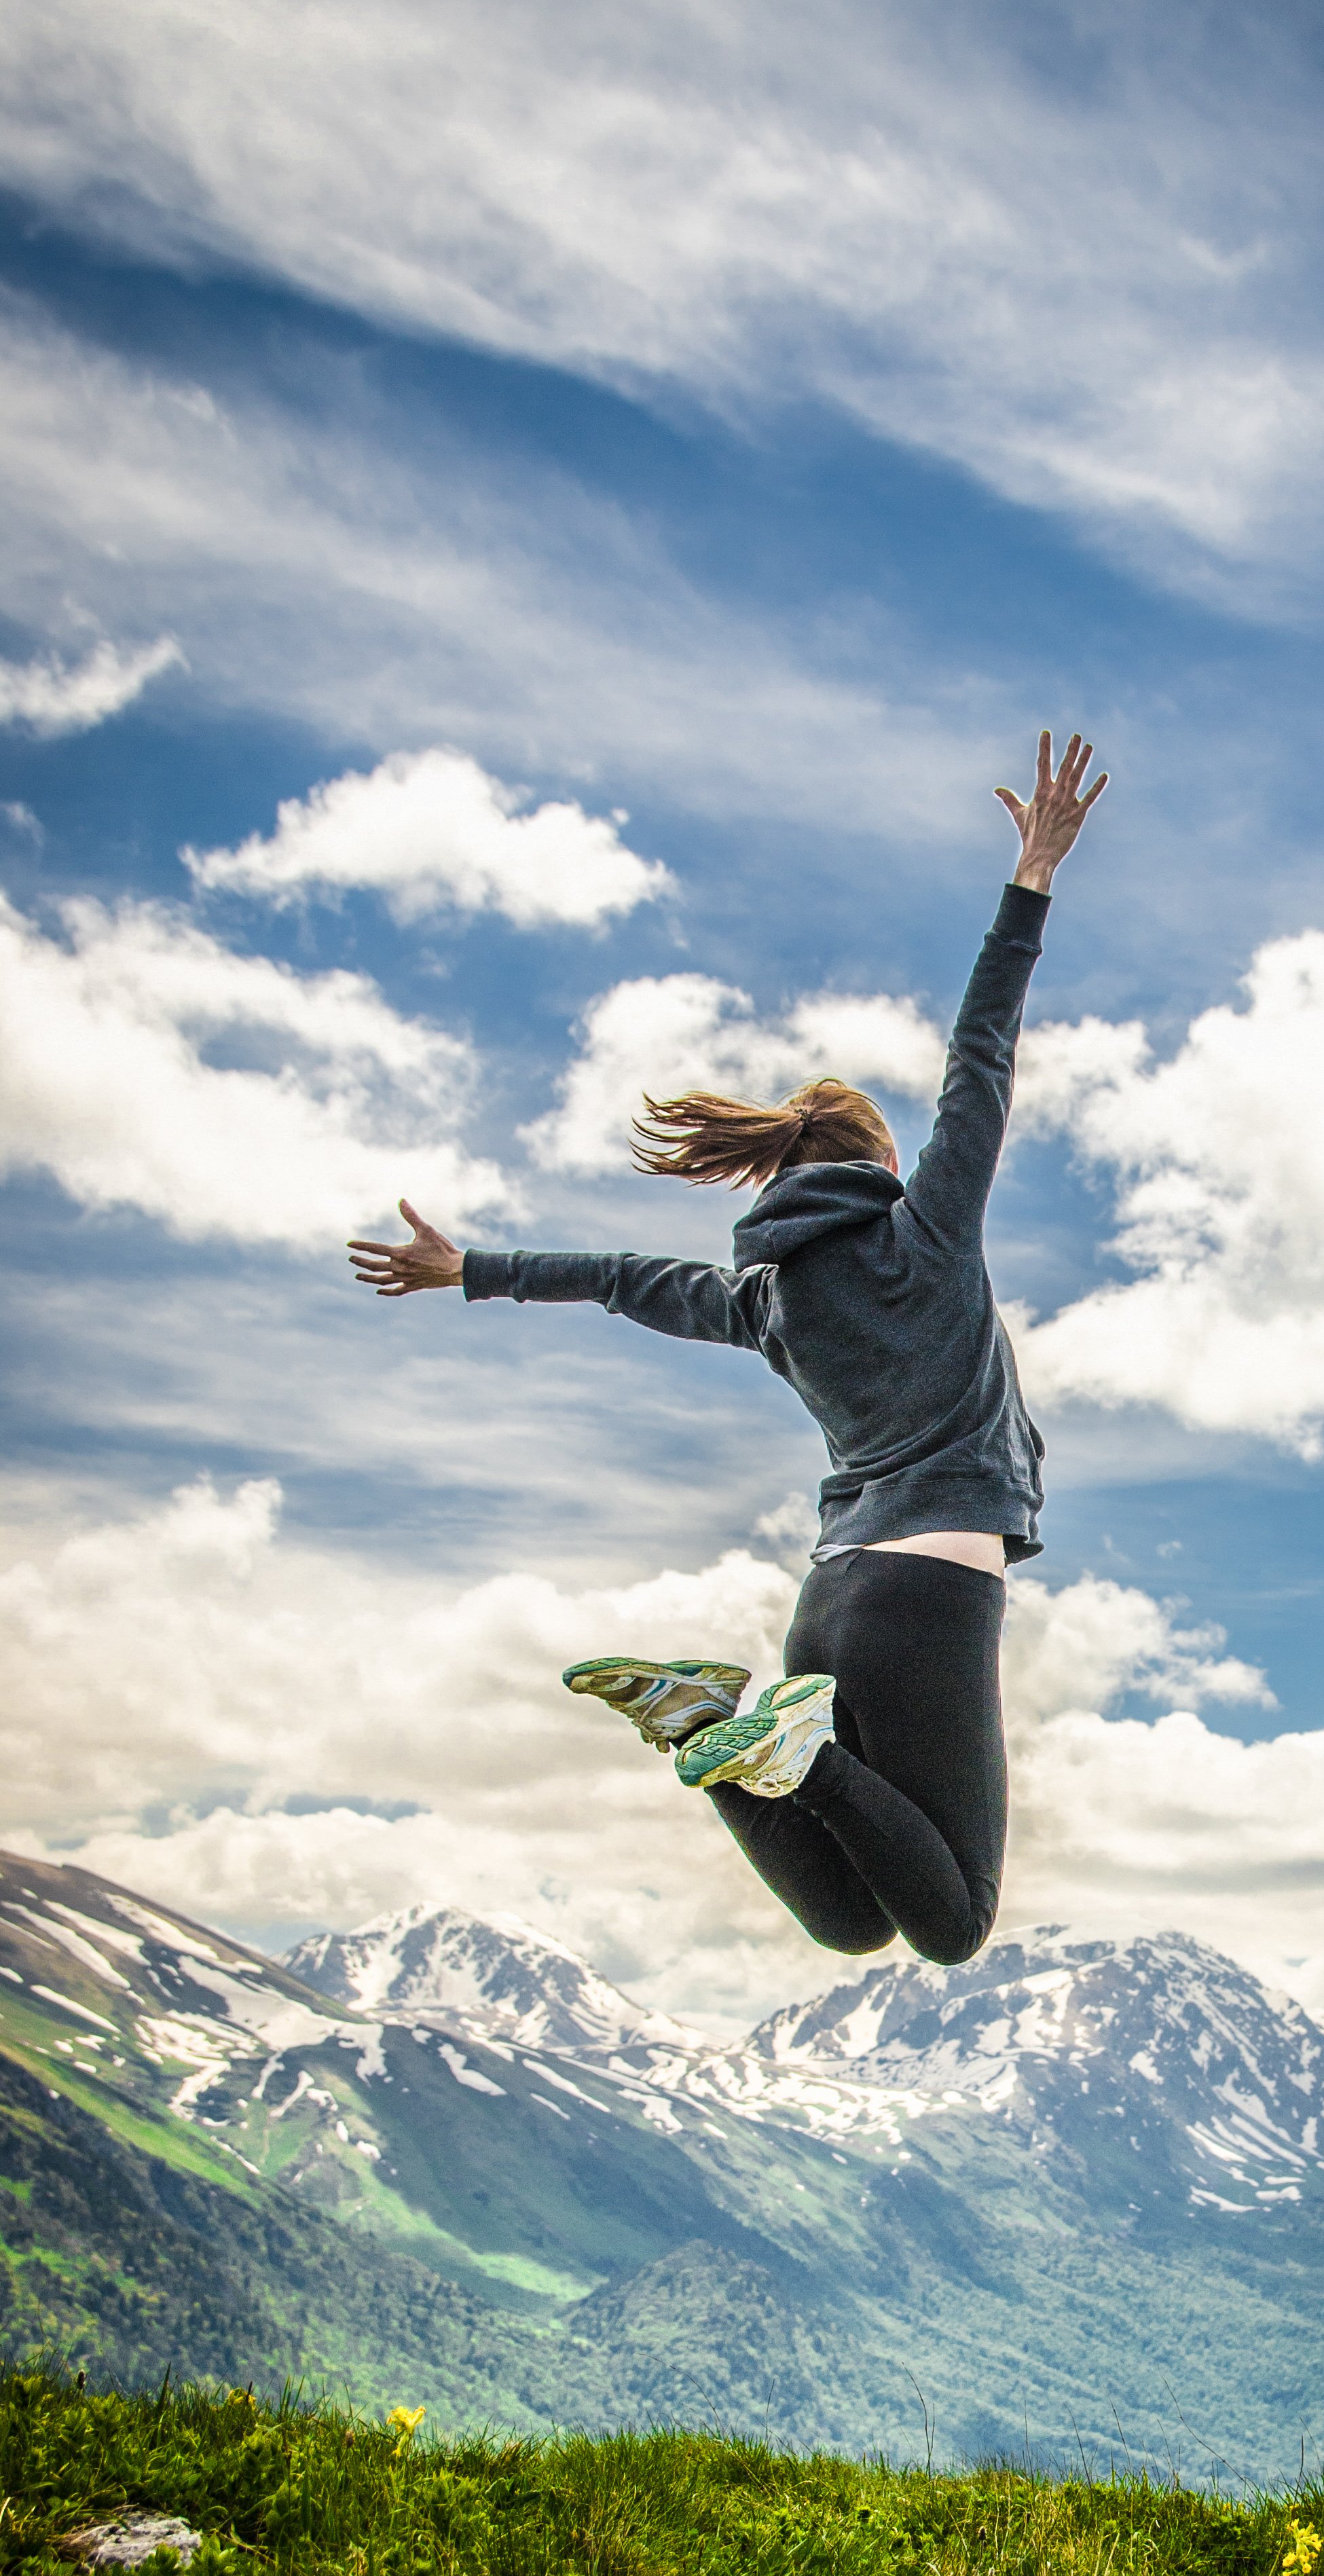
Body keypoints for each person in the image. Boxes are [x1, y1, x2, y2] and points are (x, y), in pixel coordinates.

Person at [348, 729, 1107, 1966]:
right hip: (929, 1591)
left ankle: (725, 1731)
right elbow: (981, 1059)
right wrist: (1029, 882)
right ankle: (777, 1744)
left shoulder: (766, 1297)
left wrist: (472, 1270)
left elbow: (616, 1280)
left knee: (860, 1920)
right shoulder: (926, 1234)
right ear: (886, 1165)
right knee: (954, 1924)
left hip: (830, 1607)